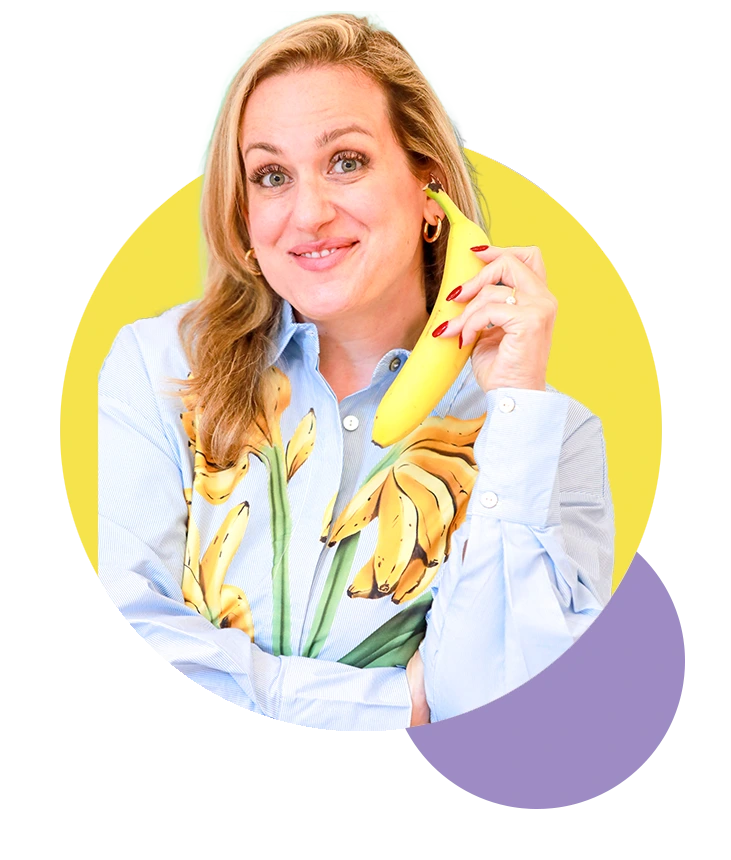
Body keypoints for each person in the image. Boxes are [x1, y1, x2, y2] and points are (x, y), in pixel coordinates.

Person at [97, 11, 613, 731]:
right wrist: (394, 705)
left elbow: (513, 716)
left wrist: (515, 413)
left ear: (428, 186)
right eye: (271, 176)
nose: (308, 213)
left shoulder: (552, 438)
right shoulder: (160, 367)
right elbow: (137, 630)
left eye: (346, 161)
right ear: (244, 217)